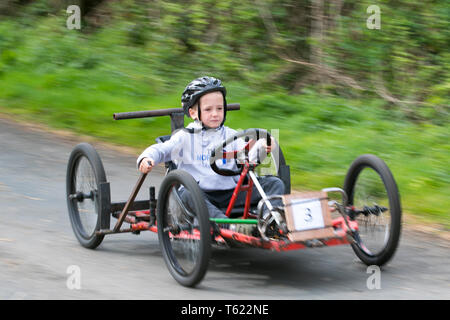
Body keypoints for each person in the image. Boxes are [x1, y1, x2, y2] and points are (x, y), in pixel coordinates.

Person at [137, 76, 285, 220]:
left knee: (274, 183)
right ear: (193, 112)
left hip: (232, 194)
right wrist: (146, 158)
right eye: (208, 109)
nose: (215, 114)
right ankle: (225, 225)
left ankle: (269, 219)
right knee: (187, 194)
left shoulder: (231, 135)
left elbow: (249, 156)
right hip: (200, 196)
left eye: (219, 108)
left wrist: (262, 146)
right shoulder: (184, 137)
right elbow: (161, 149)